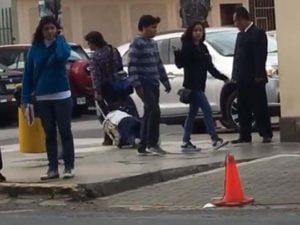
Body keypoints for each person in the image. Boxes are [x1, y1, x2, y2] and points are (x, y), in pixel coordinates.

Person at [22, 16, 75, 180]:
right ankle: (52, 167)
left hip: (62, 94)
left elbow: (62, 56)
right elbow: (28, 74)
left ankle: (68, 166)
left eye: (52, 28)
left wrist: (58, 39)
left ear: (56, 29)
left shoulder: (61, 45)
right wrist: (25, 99)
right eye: (46, 29)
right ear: (41, 31)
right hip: (43, 96)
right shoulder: (35, 49)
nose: (49, 31)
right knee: (49, 132)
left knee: (65, 130)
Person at [180, 21, 229, 151]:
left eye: (200, 30)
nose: (198, 33)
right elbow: (181, 63)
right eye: (195, 30)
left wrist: (222, 77)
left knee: (192, 113)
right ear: (191, 32)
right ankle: (214, 139)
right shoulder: (187, 47)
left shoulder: (203, 48)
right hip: (192, 86)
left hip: (200, 85)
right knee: (207, 110)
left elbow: (210, 67)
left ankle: (185, 141)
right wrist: (178, 54)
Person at [84, 31, 138, 146]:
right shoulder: (113, 50)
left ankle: (110, 137)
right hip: (120, 85)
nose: (89, 46)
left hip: (106, 89)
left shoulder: (95, 57)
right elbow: (119, 67)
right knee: (124, 110)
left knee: (108, 114)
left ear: (94, 42)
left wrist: (97, 92)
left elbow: (96, 77)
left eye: (89, 43)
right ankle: (130, 133)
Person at [128, 15, 171, 156]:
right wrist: (137, 84)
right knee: (154, 111)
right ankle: (152, 143)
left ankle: (143, 144)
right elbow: (132, 65)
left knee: (148, 113)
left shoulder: (153, 43)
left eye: (155, 27)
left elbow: (158, 63)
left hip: (154, 82)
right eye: (152, 27)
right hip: (144, 83)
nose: (155, 30)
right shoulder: (136, 43)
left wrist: (165, 81)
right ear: (144, 27)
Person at [231, 7, 273, 144]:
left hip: (255, 78)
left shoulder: (258, 33)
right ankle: (245, 135)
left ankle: (266, 133)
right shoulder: (240, 35)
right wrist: (235, 75)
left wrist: (258, 74)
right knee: (243, 107)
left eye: (236, 21)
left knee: (259, 107)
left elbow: (260, 55)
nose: (235, 24)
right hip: (242, 78)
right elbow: (237, 57)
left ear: (242, 19)